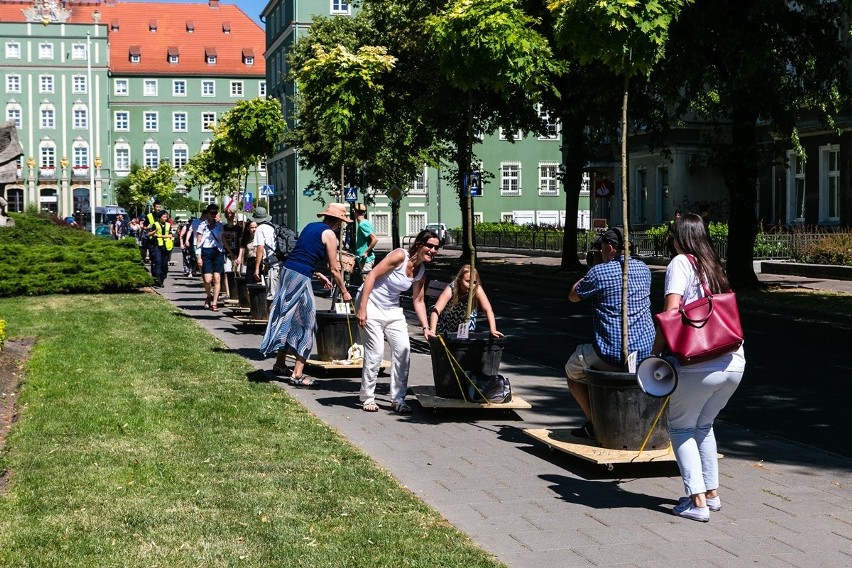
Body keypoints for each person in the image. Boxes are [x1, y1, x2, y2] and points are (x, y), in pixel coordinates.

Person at [651, 213, 745, 522]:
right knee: (704, 426)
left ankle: (697, 502)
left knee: (680, 428)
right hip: (733, 360)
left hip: (698, 362)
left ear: (680, 237)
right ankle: (712, 495)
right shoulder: (713, 264)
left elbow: (671, 312)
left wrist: (655, 355)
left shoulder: (681, 263)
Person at [565, 227, 655, 439]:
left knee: (573, 369)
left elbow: (573, 296)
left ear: (610, 248)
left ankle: (595, 424)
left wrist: (594, 268)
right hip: (645, 351)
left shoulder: (599, 272)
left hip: (612, 354)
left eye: (602, 247)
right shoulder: (644, 270)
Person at [260, 203, 351, 387]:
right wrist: (344, 291)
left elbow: (303, 254)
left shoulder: (311, 227)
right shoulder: (330, 235)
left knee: (289, 317)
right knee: (308, 322)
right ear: (339, 221)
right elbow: (334, 268)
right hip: (299, 275)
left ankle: (279, 364)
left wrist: (316, 274)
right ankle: (297, 374)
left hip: (289, 271)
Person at [356, 229, 440, 413]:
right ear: (419, 244)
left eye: (436, 248)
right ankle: (367, 397)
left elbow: (418, 300)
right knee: (376, 352)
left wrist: (426, 327)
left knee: (404, 349)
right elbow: (371, 276)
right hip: (370, 303)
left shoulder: (421, 271)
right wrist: (362, 308)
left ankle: (398, 399)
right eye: (430, 246)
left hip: (392, 310)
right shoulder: (399, 255)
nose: (433, 251)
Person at [426, 264, 502, 338]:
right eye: (468, 281)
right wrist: (432, 330)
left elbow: (488, 310)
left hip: (467, 320)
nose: (471, 285)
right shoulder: (452, 288)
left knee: (466, 338)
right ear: (459, 280)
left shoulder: (477, 289)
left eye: (474, 282)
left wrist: (493, 329)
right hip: (449, 319)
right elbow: (437, 309)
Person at [196, 204, 225, 311]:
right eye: (211, 213)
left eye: (215, 213)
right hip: (206, 251)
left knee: (217, 278)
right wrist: (198, 256)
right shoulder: (202, 225)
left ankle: (214, 303)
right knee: (207, 280)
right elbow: (198, 242)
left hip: (218, 251)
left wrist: (229, 251)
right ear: (207, 213)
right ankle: (209, 296)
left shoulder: (220, 225)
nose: (213, 215)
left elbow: (222, 239)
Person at [250, 207, 279, 311]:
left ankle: (271, 325)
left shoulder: (260, 229)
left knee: (271, 297)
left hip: (273, 266)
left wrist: (257, 268)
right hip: (281, 264)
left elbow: (260, 248)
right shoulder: (274, 227)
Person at [353, 203, 378, 281]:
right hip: (364, 258)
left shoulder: (362, 224)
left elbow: (374, 239)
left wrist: (366, 252)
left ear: (355, 212)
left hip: (365, 259)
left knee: (367, 283)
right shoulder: (366, 222)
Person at [150, 210, 174, 287]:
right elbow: (149, 234)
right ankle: (158, 278)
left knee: (164, 264)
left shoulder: (168, 225)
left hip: (166, 246)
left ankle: (162, 278)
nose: (165, 218)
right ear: (160, 217)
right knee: (158, 262)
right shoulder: (155, 224)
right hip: (157, 245)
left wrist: (160, 236)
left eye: (166, 217)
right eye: (164, 217)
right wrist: (155, 232)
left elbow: (170, 235)